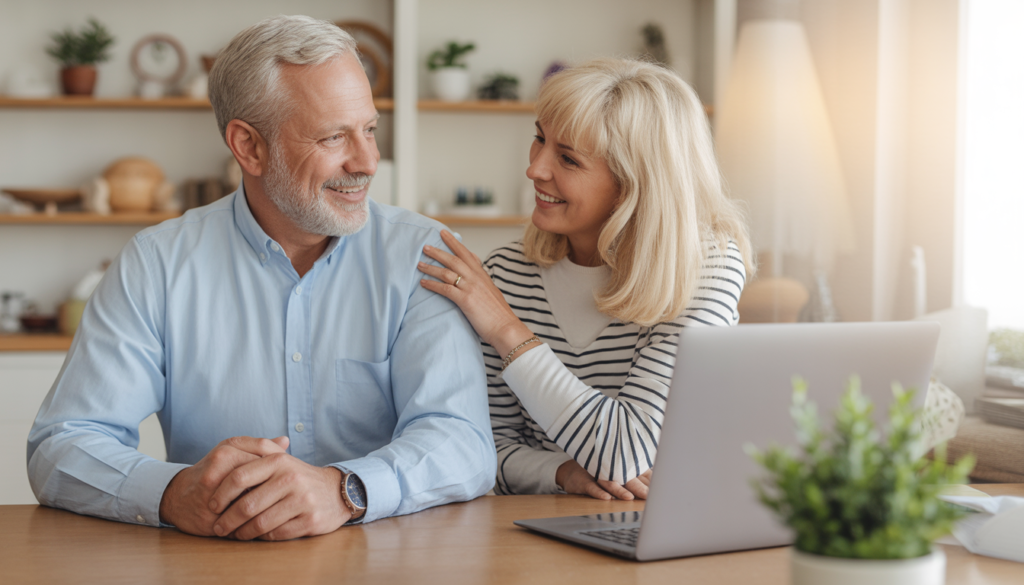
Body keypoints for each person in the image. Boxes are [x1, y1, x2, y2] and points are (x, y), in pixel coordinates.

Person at [27, 15, 495, 541]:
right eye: (334, 136)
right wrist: (172, 492)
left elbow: (463, 442)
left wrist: (347, 490)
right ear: (248, 146)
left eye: (369, 129)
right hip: (211, 564)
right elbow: (61, 446)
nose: (367, 161)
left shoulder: (422, 255)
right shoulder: (156, 262)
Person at [418, 59, 752, 500]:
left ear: (635, 185)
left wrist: (506, 330)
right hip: (531, 536)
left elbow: (625, 453)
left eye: (568, 158)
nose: (535, 169)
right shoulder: (505, 274)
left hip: (663, 530)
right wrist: (560, 472)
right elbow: (476, 448)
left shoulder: (705, 268)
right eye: (539, 139)